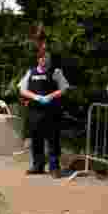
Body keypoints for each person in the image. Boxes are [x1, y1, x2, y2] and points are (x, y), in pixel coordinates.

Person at [18, 49, 71, 177]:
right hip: (35, 112)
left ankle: (54, 168)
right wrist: (36, 97)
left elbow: (64, 88)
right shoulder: (30, 72)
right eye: (42, 58)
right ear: (38, 59)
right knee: (36, 140)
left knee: (53, 140)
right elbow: (22, 90)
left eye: (47, 58)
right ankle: (38, 165)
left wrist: (51, 96)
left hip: (52, 112)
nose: (44, 60)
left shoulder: (56, 72)